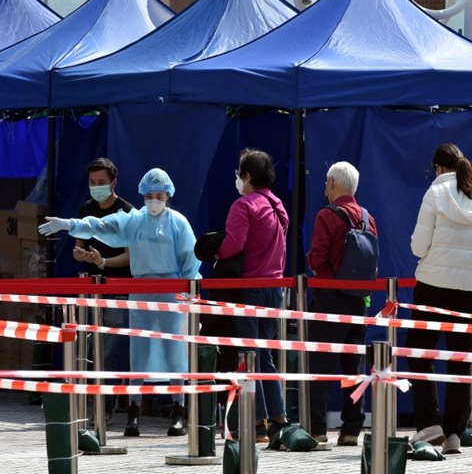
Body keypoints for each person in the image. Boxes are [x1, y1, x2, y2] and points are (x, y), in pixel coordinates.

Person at [38, 168, 200, 437]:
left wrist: (188, 291)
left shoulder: (179, 223)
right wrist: (67, 224)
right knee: (139, 353)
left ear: (168, 195)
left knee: (175, 353)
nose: (154, 200)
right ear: (142, 195)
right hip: (140, 292)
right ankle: (133, 414)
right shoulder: (134, 221)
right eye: (149, 195)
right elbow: (100, 225)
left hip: (172, 294)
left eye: (159, 195)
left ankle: (178, 411)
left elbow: (191, 259)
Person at [405, 143, 472, 455]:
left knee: (420, 356)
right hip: (468, 290)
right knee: (462, 361)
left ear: (438, 168)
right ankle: (455, 432)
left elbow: (419, 248)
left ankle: (430, 424)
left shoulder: (433, 194)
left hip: (432, 285)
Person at [215, 148, 292, 445]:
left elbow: (233, 245)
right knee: (265, 355)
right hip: (275, 288)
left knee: (248, 357)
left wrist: (214, 250)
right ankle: (279, 417)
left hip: (250, 287)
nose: (237, 178)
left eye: (239, 173)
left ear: (247, 176)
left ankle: (256, 423)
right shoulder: (277, 205)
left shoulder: (244, 205)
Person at [306, 161, 377, 447]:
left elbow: (318, 258)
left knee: (320, 366)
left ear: (333, 184)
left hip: (330, 298)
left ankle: (318, 429)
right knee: (354, 369)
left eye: (326, 183)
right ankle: (351, 430)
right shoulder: (367, 218)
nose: (325, 188)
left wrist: (317, 268)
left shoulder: (327, 215)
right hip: (359, 301)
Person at [73, 158, 134, 424]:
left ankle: (106, 406)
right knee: (89, 346)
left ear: (113, 183)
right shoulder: (86, 209)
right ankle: (95, 401)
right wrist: (82, 255)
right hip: (92, 289)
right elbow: (79, 247)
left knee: (111, 348)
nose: (96, 187)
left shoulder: (128, 213)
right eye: (92, 183)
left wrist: (104, 262)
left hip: (119, 289)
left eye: (101, 183)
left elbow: (131, 256)